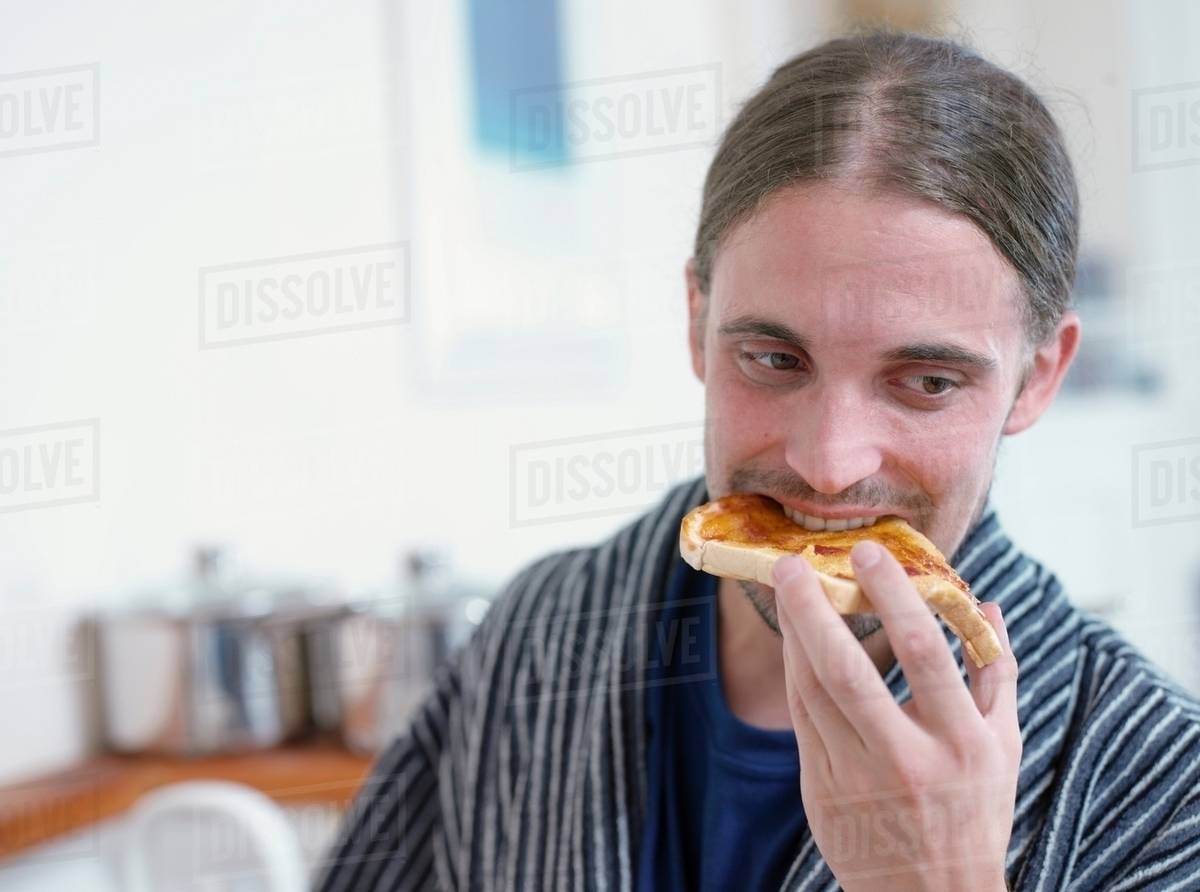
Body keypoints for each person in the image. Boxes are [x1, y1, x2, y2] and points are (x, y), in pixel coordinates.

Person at [316, 30, 1200, 891]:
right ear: (697, 319)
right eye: (775, 361)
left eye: (926, 381)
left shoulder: (1163, 788)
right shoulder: (538, 630)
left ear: (1038, 377)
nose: (828, 465)